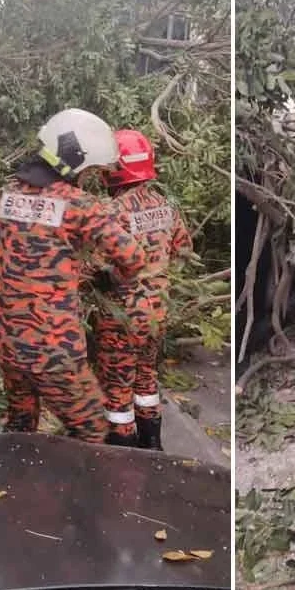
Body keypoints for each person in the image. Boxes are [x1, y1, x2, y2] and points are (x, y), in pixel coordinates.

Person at [0, 109, 146, 443]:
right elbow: (133, 256)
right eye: (89, 169)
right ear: (74, 161)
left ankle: (16, 488)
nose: (89, 176)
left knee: (20, 428)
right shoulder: (79, 204)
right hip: (56, 351)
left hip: (10, 346)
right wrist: (111, 276)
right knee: (93, 433)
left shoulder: (3, 199)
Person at [92, 129, 194, 449]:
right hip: (158, 311)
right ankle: (152, 446)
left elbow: (93, 266)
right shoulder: (165, 206)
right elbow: (184, 249)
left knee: (118, 386)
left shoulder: (112, 212)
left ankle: (123, 458)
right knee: (146, 376)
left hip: (123, 315)